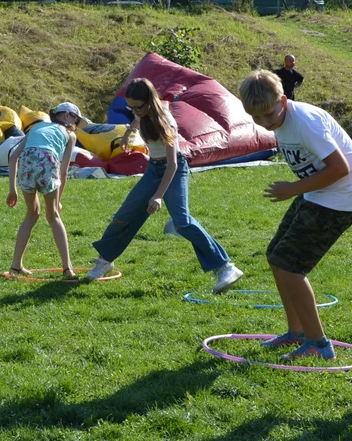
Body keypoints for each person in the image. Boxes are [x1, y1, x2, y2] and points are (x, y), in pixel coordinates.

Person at [239, 70, 352, 360]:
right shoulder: (279, 119)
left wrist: (293, 188)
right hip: (318, 193)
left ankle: (318, 343)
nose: (265, 123)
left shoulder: (305, 122)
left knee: (290, 266)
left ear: (283, 100)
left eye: (269, 115)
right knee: (276, 256)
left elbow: (340, 168)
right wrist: (299, 190)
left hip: (339, 199)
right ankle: (296, 331)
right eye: (256, 118)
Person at [86, 78, 245, 290]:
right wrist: (128, 133)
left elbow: (172, 164)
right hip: (153, 169)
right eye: (130, 106)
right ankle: (105, 260)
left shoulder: (165, 123)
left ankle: (225, 267)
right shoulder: (140, 111)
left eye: (137, 107)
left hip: (174, 170)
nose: (134, 110)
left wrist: (158, 196)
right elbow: (135, 120)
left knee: (182, 222)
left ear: (149, 102)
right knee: (124, 216)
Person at [6, 103, 80, 277]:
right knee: (53, 215)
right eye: (76, 119)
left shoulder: (36, 127)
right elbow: (64, 170)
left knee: (32, 214)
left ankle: (15, 266)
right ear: (67, 115)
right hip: (47, 161)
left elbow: (13, 157)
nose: (76, 124)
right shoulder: (70, 134)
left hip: (27, 163)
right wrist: (58, 200)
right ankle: (68, 268)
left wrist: (12, 189)